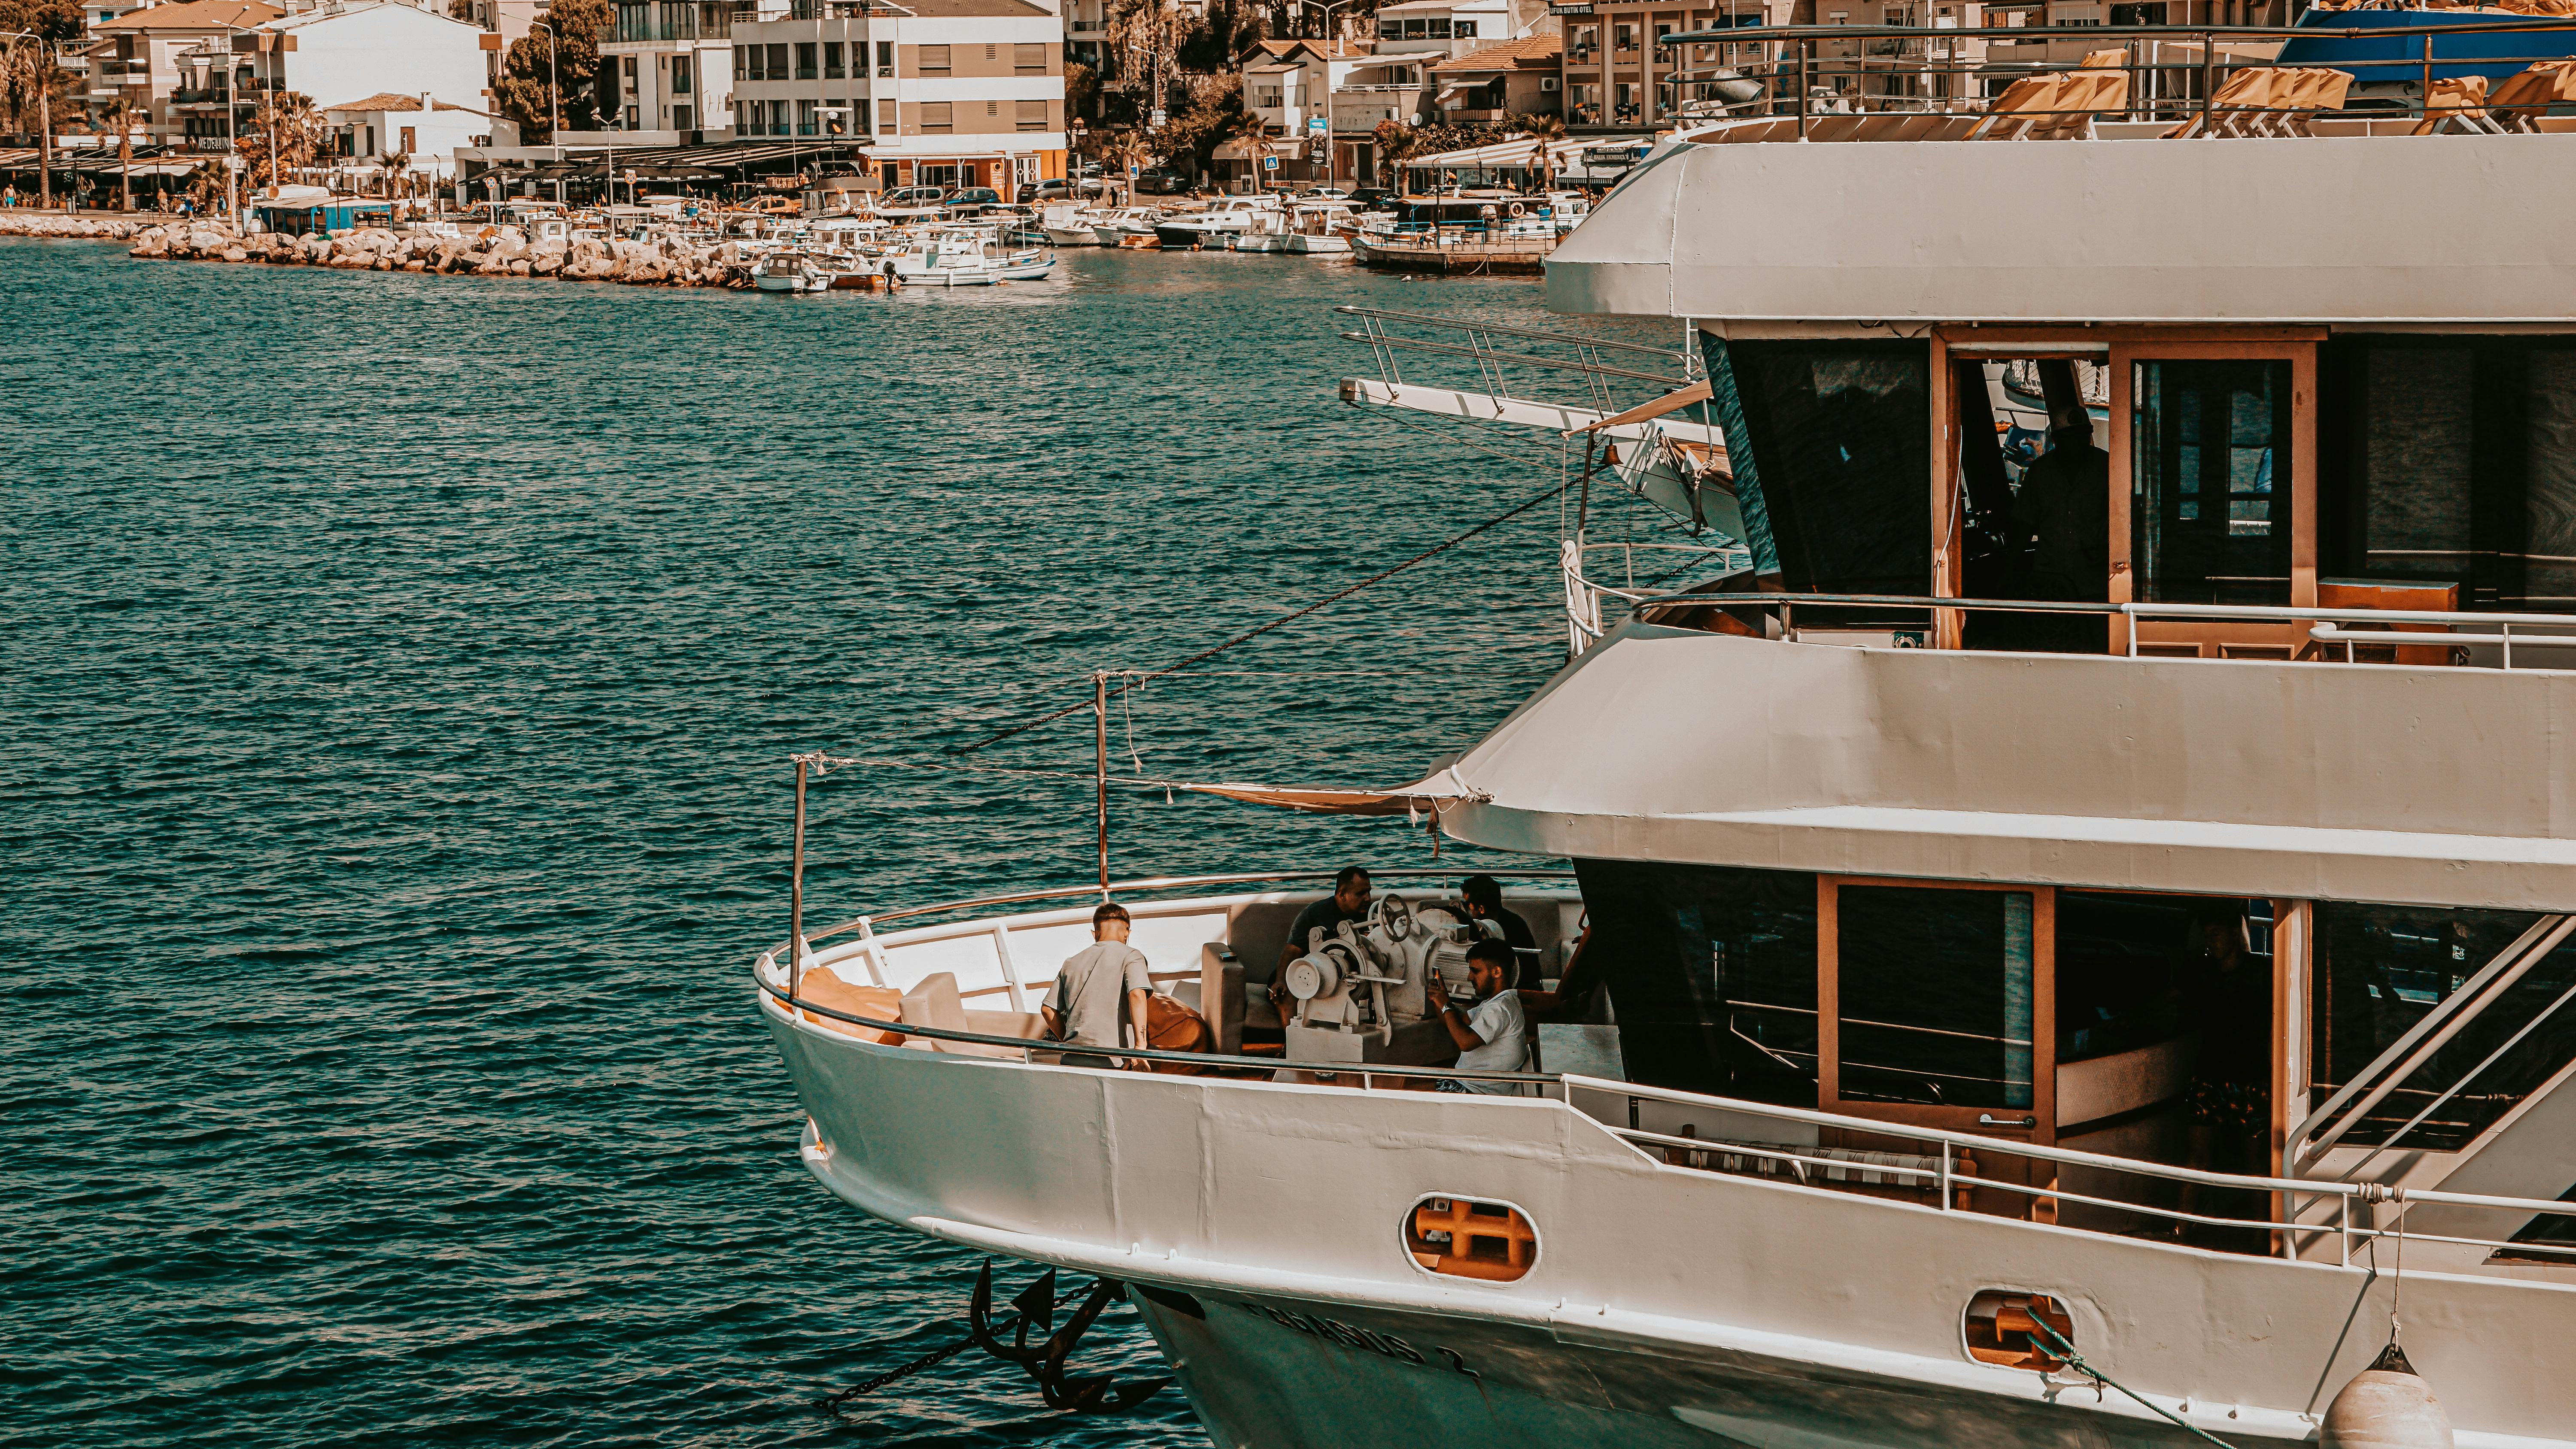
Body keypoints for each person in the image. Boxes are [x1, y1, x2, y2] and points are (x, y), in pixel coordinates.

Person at [1434, 940, 1580, 1094]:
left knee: (1406, 1090)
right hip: (1467, 1083)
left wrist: (1446, 1006)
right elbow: (1455, 1023)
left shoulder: (1500, 1008)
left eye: (1475, 971)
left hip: (1475, 1092)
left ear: (1497, 972)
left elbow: (1465, 1042)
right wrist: (1439, 999)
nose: (1470, 978)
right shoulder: (1497, 1002)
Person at [1042, 901, 1154, 1069]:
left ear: (1095, 933)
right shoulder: (1132, 956)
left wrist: (1067, 1040)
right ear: (1127, 933)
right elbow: (1137, 995)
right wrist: (1140, 1048)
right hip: (1114, 1061)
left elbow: (1047, 1009)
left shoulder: (1071, 962)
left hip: (1071, 1059)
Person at [1458, 874, 1535, 964]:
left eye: (1467, 904)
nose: (1465, 908)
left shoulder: (1514, 929)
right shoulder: (1511, 921)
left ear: (1481, 909)